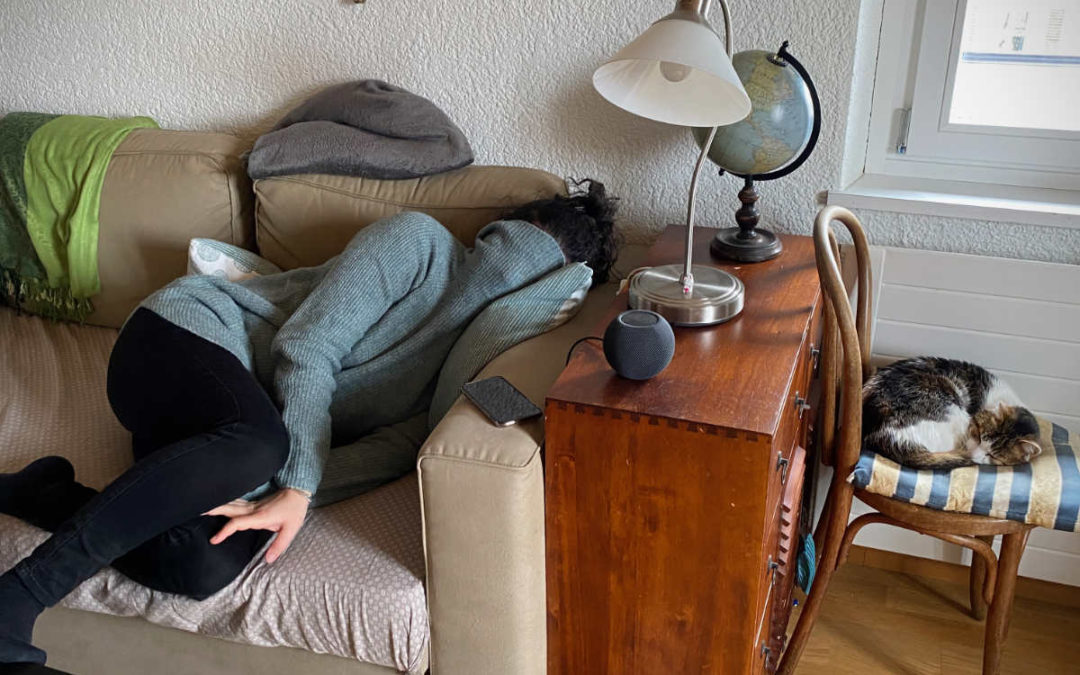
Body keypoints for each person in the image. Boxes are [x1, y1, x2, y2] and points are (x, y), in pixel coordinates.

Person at [0, 179, 619, 666]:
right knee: (258, 445)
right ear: (497, 230)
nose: (513, 263)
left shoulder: (463, 367)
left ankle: (46, 493)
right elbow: (308, 345)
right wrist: (293, 483)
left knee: (198, 565)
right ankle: (18, 598)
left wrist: (276, 499)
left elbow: (396, 449)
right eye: (523, 238)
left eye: (544, 262)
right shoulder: (417, 242)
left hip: (220, 443)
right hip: (179, 339)